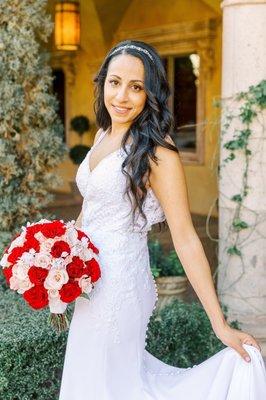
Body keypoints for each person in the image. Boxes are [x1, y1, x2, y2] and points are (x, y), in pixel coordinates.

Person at [59, 40, 266, 399]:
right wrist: (57, 251)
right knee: (91, 377)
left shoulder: (158, 151)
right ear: (103, 83)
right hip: (88, 280)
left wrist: (219, 324)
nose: (122, 96)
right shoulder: (102, 135)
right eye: (115, 82)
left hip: (119, 283)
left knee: (111, 384)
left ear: (150, 94)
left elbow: (185, 237)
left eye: (136, 87)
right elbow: (91, 207)